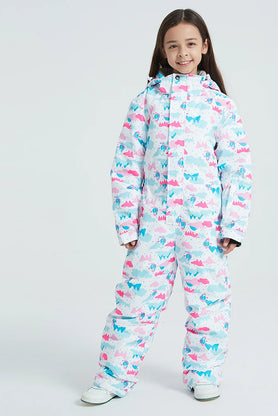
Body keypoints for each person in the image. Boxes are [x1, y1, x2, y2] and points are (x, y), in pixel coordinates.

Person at [81, 8, 253, 405]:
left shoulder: (220, 106)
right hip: (153, 224)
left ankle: (204, 373)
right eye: (173, 46)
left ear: (205, 47)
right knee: (133, 301)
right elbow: (126, 165)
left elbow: (237, 168)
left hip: (205, 225)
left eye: (190, 44)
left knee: (209, 303)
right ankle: (113, 377)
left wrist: (233, 225)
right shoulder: (146, 102)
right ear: (162, 50)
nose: (183, 53)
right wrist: (128, 224)